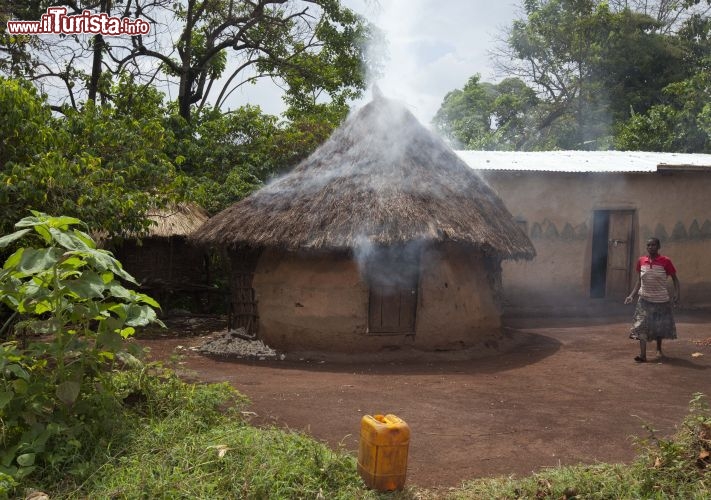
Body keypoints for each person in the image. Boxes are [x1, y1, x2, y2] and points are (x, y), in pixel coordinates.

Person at [624, 237, 680, 363]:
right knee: (640, 325)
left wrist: (677, 294)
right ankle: (643, 355)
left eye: (653, 245)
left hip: (661, 300)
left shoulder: (666, 261)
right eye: (648, 245)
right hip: (644, 300)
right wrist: (631, 295)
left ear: (658, 246)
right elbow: (639, 281)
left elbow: (675, 279)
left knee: (658, 327)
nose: (651, 247)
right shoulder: (641, 261)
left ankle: (659, 349)